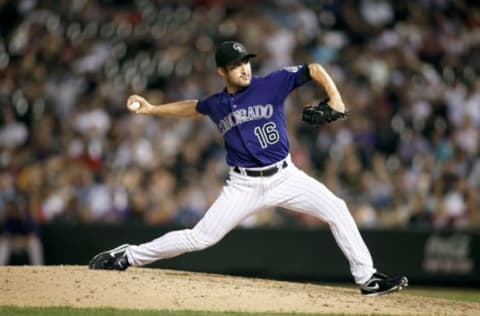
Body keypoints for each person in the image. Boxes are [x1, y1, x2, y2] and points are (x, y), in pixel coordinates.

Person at [89, 41, 408, 296]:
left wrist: (335, 100)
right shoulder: (217, 104)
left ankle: (368, 279)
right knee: (200, 238)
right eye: (235, 65)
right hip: (243, 186)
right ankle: (128, 255)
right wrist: (153, 109)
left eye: (245, 62)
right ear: (221, 72)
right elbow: (193, 107)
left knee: (337, 209)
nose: (243, 68)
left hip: (286, 176)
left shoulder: (271, 83)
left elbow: (313, 69)